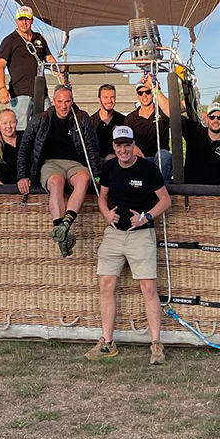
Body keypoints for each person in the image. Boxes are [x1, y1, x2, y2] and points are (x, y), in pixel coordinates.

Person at [87, 125, 172, 365]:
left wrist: (145, 217)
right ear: (113, 147)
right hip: (114, 233)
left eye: (127, 145)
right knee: (105, 284)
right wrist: (106, 214)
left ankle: (156, 344)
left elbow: (165, 200)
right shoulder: (109, 167)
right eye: (118, 145)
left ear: (134, 145)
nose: (123, 149)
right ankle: (107, 342)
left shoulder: (148, 168)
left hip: (141, 233)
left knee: (148, 288)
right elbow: (102, 198)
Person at [17, 85, 104, 256]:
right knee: (56, 182)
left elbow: (92, 148)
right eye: (60, 102)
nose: (64, 106)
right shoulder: (40, 119)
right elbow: (25, 148)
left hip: (74, 163)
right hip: (51, 163)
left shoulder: (82, 118)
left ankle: (64, 226)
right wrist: (22, 175)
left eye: (67, 101)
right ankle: (60, 229)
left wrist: (97, 177)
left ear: (72, 101)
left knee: (84, 179)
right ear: (54, 102)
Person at [0, 5, 55, 132]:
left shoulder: (39, 38)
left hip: (41, 93)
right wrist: (2, 88)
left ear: (32, 20)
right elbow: (0, 65)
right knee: (20, 130)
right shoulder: (10, 40)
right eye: (21, 19)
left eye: (27, 19)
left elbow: (49, 59)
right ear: (16, 20)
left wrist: (62, 75)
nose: (24, 22)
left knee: (49, 125)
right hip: (20, 94)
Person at [125, 74, 172, 179]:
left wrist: (155, 88)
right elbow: (124, 140)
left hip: (160, 161)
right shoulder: (130, 118)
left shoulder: (163, 112)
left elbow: (174, 109)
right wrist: (133, 146)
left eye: (148, 92)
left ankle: (160, 188)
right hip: (141, 159)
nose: (144, 95)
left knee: (163, 155)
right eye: (140, 93)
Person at [178, 101, 220, 186]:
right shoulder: (195, 131)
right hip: (191, 193)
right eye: (212, 117)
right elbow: (172, 114)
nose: (216, 120)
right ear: (207, 119)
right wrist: (156, 91)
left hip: (217, 195)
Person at [91, 83, 124, 159]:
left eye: (112, 97)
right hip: (96, 162)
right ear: (99, 100)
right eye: (106, 97)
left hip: (118, 162)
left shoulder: (123, 121)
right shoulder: (90, 122)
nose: (109, 100)